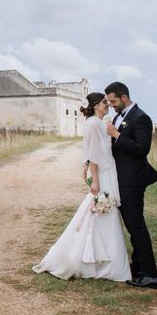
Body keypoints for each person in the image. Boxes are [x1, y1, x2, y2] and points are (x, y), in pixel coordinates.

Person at [32, 92, 131, 282]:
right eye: (104, 102)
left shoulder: (98, 124)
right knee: (101, 213)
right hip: (102, 175)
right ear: (95, 105)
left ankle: (101, 260)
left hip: (108, 173)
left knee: (103, 215)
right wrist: (95, 180)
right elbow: (94, 155)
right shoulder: (94, 124)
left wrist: (87, 165)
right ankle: (99, 262)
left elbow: (90, 152)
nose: (108, 105)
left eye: (108, 102)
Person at [105, 82, 157, 289]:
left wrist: (116, 135)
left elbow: (142, 149)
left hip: (133, 181)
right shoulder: (119, 117)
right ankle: (138, 266)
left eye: (113, 101)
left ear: (124, 98)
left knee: (136, 226)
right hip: (122, 180)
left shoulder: (141, 118)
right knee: (132, 226)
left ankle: (151, 275)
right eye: (109, 101)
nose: (110, 105)